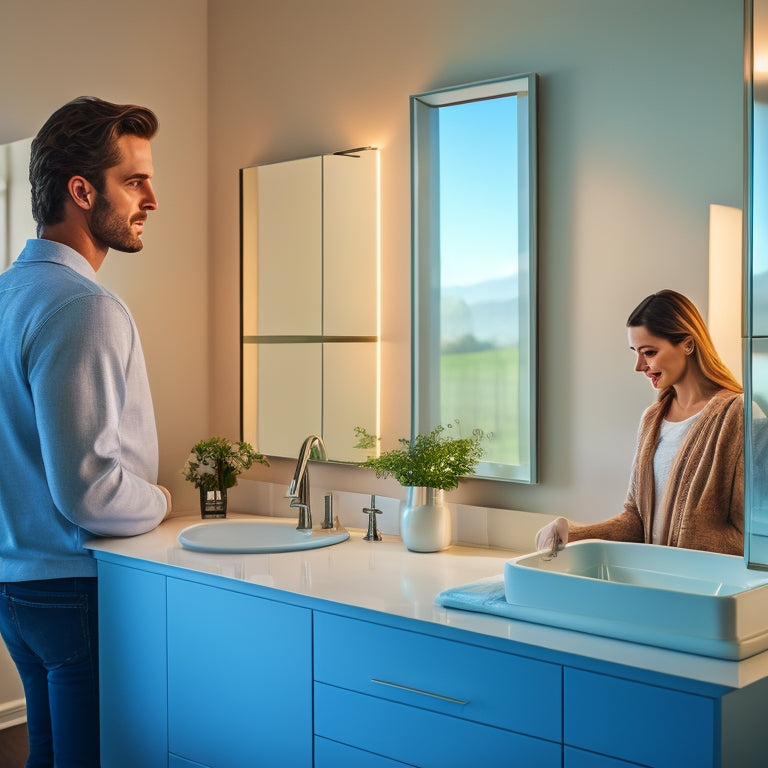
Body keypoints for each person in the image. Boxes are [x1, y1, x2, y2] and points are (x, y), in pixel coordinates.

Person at [0, 97, 172, 768]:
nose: (151, 198)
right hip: (72, 585)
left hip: (16, 584)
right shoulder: (84, 306)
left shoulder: (9, 294)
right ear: (81, 190)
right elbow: (90, 494)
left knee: (48, 753)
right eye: (134, 181)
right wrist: (158, 501)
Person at [537, 289, 744, 557]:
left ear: (688, 344)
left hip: (709, 588)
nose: (639, 366)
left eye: (649, 352)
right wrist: (569, 534)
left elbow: (750, 533)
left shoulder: (736, 415)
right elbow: (636, 521)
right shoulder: (652, 419)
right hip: (655, 581)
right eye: (636, 352)